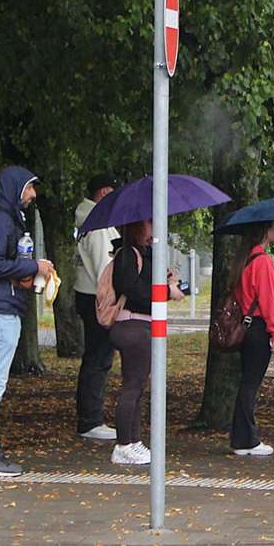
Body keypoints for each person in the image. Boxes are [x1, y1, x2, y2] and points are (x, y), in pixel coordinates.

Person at [0, 166, 55, 476]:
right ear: (15, 188)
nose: (33, 194)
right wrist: (33, 266)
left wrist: (24, 274)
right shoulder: (0, 220)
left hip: (3, 308)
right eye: (29, 188)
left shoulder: (7, 218)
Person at [108, 219, 183, 465]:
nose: (154, 228)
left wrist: (166, 281)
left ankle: (133, 441)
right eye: (150, 223)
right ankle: (124, 444)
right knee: (133, 385)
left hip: (140, 324)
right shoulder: (127, 255)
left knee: (137, 386)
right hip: (133, 325)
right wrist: (165, 291)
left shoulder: (141, 254)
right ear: (137, 226)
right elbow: (134, 289)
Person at [229, 221, 274, 456]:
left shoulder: (246, 259)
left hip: (246, 326)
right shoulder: (262, 261)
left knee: (247, 382)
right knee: (250, 385)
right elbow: (268, 301)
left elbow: (250, 294)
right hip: (259, 328)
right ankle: (247, 439)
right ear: (265, 231)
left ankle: (241, 438)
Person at [73, 174, 119, 441]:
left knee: (94, 357)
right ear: (103, 193)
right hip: (98, 297)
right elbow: (106, 268)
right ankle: (91, 420)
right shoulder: (99, 226)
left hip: (86, 293)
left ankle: (89, 417)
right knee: (99, 359)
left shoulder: (85, 221)